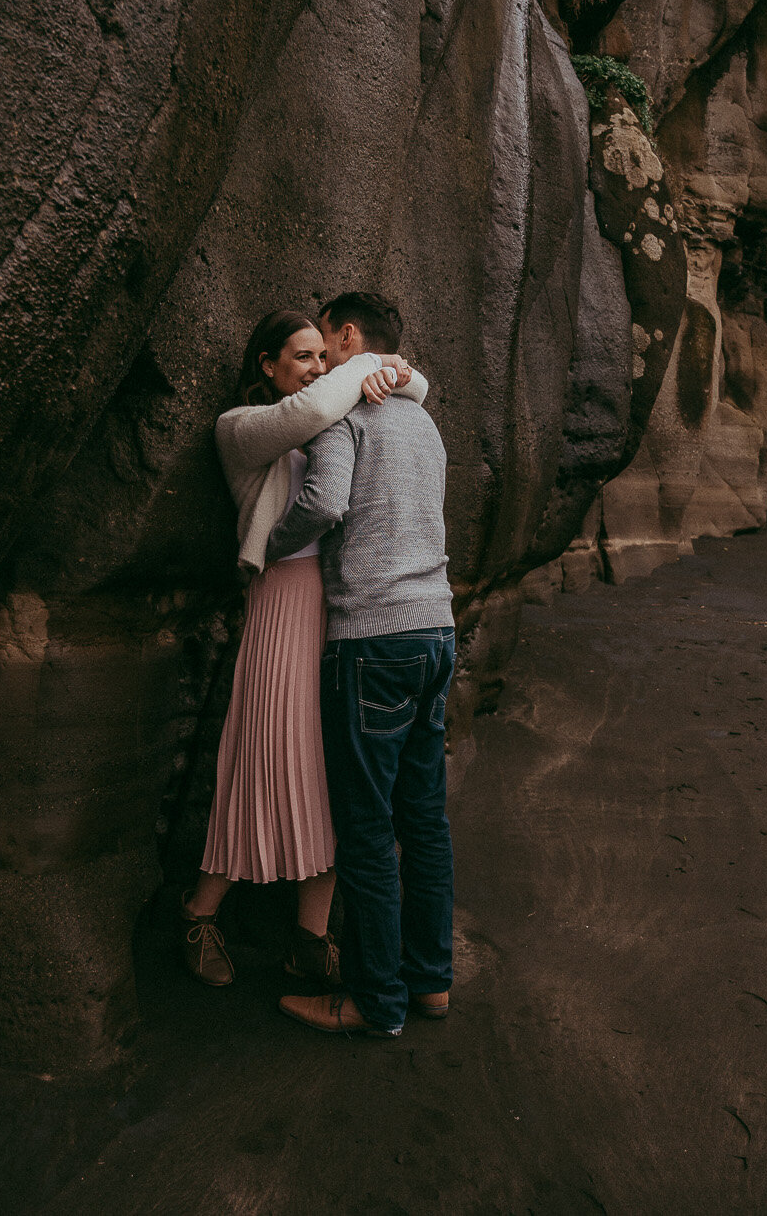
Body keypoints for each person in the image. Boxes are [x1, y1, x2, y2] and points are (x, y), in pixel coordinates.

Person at [179, 308, 428, 988]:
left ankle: (310, 939)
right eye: (302, 356)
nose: (320, 368)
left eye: (325, 355)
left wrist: (389, 371)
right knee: (261, 755)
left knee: (329, 768)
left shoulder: (331, 410)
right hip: (280, 599)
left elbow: (420, 389)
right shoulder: (242, 427)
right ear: (268, 365)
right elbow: (316, 408)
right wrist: (373, 368)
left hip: (337, 601)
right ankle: (199, 913)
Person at [265, 292, 456, 1038]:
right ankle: (430, 984)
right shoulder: (426, 423)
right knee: (425, 822)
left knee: (369, 831)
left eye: (327, 341)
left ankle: (375, 1002)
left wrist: (264, 547)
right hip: (436, 631)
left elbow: (322, 502)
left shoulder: (342, 414)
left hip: (371, 640)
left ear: (349, 337)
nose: (321, 356)